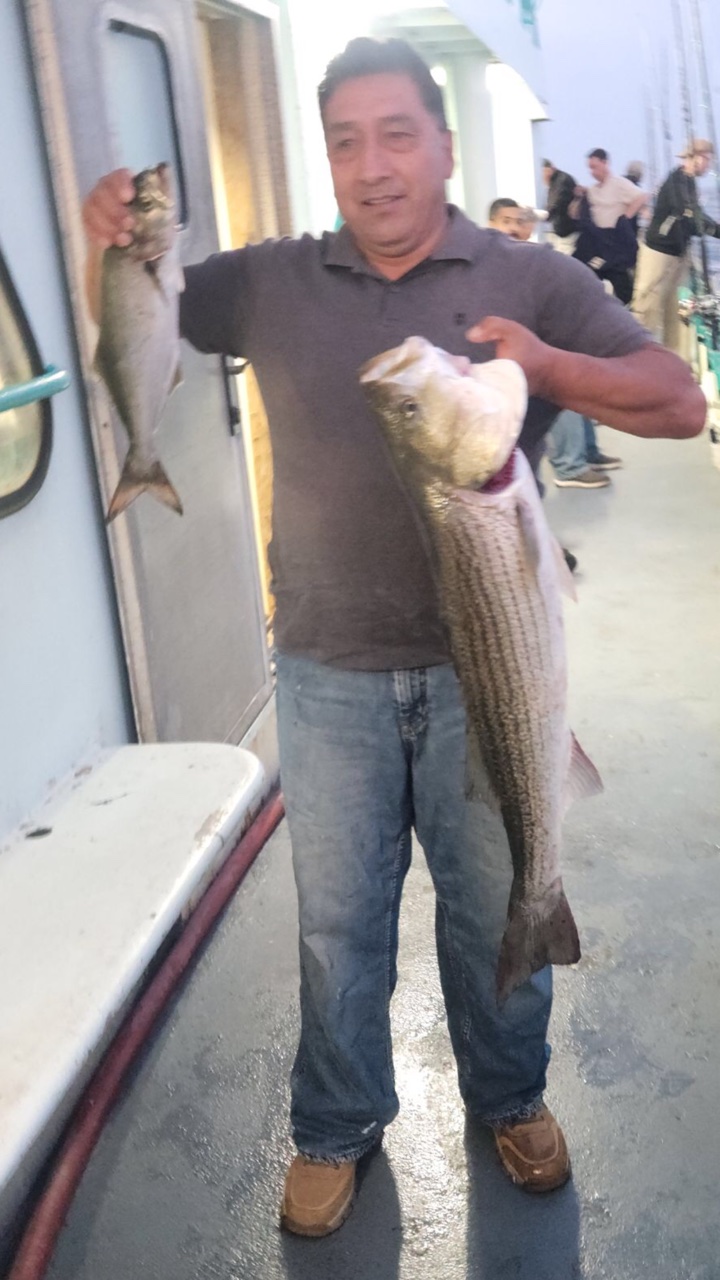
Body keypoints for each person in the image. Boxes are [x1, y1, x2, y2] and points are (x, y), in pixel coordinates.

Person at [82, 37, 705, 1239]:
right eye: (346, 142)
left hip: (488, 678)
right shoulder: (269, 279)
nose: (373, 166)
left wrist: (545, 364)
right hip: (327, 670)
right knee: (336, 923)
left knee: (496, 901)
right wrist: (104, 234)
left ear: (445, 146)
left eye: (398, 134)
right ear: (329, 158)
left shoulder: (525, 274)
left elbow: (679, 403)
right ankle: (335, 1124)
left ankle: (511, 1096)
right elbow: (141, 309)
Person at [632, 138, 720, 356]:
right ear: (696, 157)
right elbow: (690, 215)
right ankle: (637, 357)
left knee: (679, 310)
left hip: (679, 253)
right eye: (708, 159)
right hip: (658, 253)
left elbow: (693, 220)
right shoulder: (676, 181)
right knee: (647, 308)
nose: (709, 165)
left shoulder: (689, 182)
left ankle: (677, 360)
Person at [572, 148, 647, 304]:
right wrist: (579, 197)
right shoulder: (592, 190)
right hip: (596, 243)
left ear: (605, 163)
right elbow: (574, 214)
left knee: (622, 285)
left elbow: (642, 197)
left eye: (595, 167)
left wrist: (625, 217)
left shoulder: (619, 183)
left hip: (614, 243)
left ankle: (625, 310)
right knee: (585, 276)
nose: (592, 172)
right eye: (590, 168)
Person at [541, 158, 578, 254]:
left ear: (548, 169)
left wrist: (541, 216)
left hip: (568, 233)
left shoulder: (561, 181)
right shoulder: (556, 181)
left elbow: (555, 203)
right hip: (562, 231)